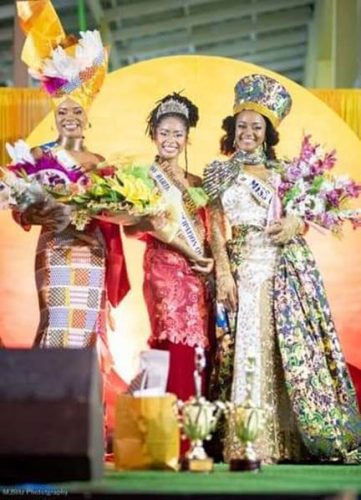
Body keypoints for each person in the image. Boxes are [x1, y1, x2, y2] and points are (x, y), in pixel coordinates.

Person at [203, 73, 361, 464]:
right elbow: (216, 229)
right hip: (241, 265)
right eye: (242, 126)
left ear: (268, 132)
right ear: (232, 128)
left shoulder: (285, 172)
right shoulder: (217, 172)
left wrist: (294, 224)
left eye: (257, 127)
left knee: (285, 349)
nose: (249, 133)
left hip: (284, 267)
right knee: (243, 347)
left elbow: (303, 216)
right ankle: (245, 440)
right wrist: (223, 273)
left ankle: (288, 441)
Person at [12, 1, 130, 439]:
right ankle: (43, 421)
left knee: (85, 333)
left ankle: (79, 425)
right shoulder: (38, 156)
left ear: (87, 116)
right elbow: (21, 207)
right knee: (57, 322)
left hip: (91, 252)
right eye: (63, 111)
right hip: (57, 252)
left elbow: (118, 211)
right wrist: (37, 209)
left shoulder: (100, 162)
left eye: (76, 112)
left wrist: (100, 206)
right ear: (55, 113)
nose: (70, 116)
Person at [124, 93, 214, 404]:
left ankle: (195, 423)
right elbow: (130, 228)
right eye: (164, 133)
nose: (170, 140)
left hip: (197, 274)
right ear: (154, 136)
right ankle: (169, 422)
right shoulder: (144, 180)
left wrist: (210, 262)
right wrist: (150, 224)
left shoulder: (197, 182)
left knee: (199, 341)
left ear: (187, 139)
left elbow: (207, 230)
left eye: (178, 134)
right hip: (162, 271)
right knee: (171, 337)